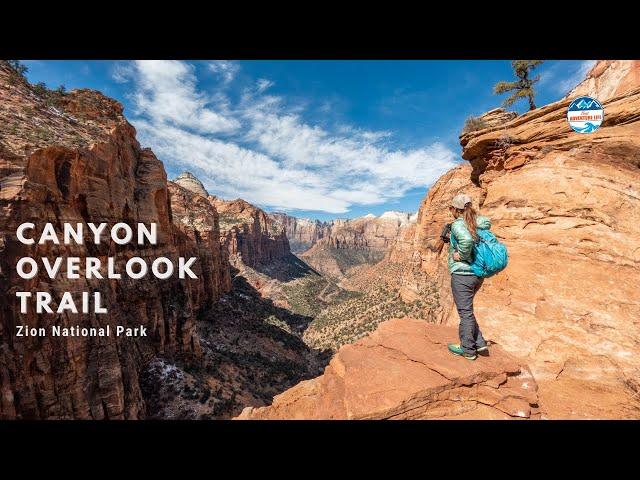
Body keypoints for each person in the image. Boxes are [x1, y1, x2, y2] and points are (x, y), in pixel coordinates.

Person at [441, 193, 492, 361]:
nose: (450, 211)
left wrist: (461, 255)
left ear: (455, 209)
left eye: (451, 208)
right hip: (478, 274)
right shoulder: (479, 222)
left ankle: (468, 349)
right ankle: (479, 342)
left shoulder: (458, 224)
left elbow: (466, 240)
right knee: (468, 309)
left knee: (465, 312)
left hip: (463, 274)